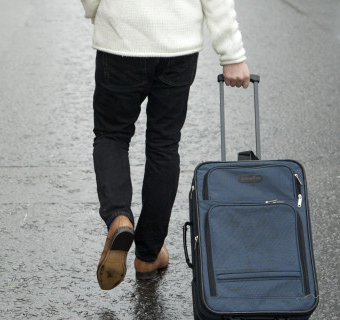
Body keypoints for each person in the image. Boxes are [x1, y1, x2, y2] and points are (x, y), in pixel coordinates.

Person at [81, 0, 251, 290]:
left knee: (112, 135)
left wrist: (96, 10)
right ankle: (148, 255)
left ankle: (119, 218)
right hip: (177, 43)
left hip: (121, 35)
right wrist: (231, 53)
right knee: (163, 145)